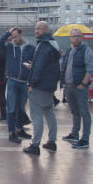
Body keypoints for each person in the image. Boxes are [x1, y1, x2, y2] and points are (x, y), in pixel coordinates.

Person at [23, 21, 60, 155]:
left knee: (36, 116)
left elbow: (40, 67)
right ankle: (52, 142)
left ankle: (35, 145)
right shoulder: (52, 44)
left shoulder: (43, 45)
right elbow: (45, 65)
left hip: (39, 86)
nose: (36, 31)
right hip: (49, 86)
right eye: (35, 28)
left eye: (38, 29)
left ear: (45, 30)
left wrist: (32, 84)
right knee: (49, 113)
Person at [0, 27, 35, 143]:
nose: (14, 39)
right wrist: (7, 32)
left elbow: (35, 63)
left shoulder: (31, 48)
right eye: (12, 37)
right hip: (12, 81)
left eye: (16, 37)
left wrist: (31, 66)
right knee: (11, 108)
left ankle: (19, 129)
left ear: (21, 34)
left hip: (24, 82)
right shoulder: (9, 47)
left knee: (21, 109)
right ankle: (11, 132)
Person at [60, 29, 93, 149]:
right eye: (73, 36)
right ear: (70, 38)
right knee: (74, 111)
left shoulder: (86, 50)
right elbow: (64, 67)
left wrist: (83, 84)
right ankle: (74, 134)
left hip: (80, 87)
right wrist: (64, 83)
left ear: (82, 37)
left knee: (84, 112)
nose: (76, 38)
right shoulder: (69, 50)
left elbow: (90, 68)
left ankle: (85, 139)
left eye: (78, 36)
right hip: (69, 86)